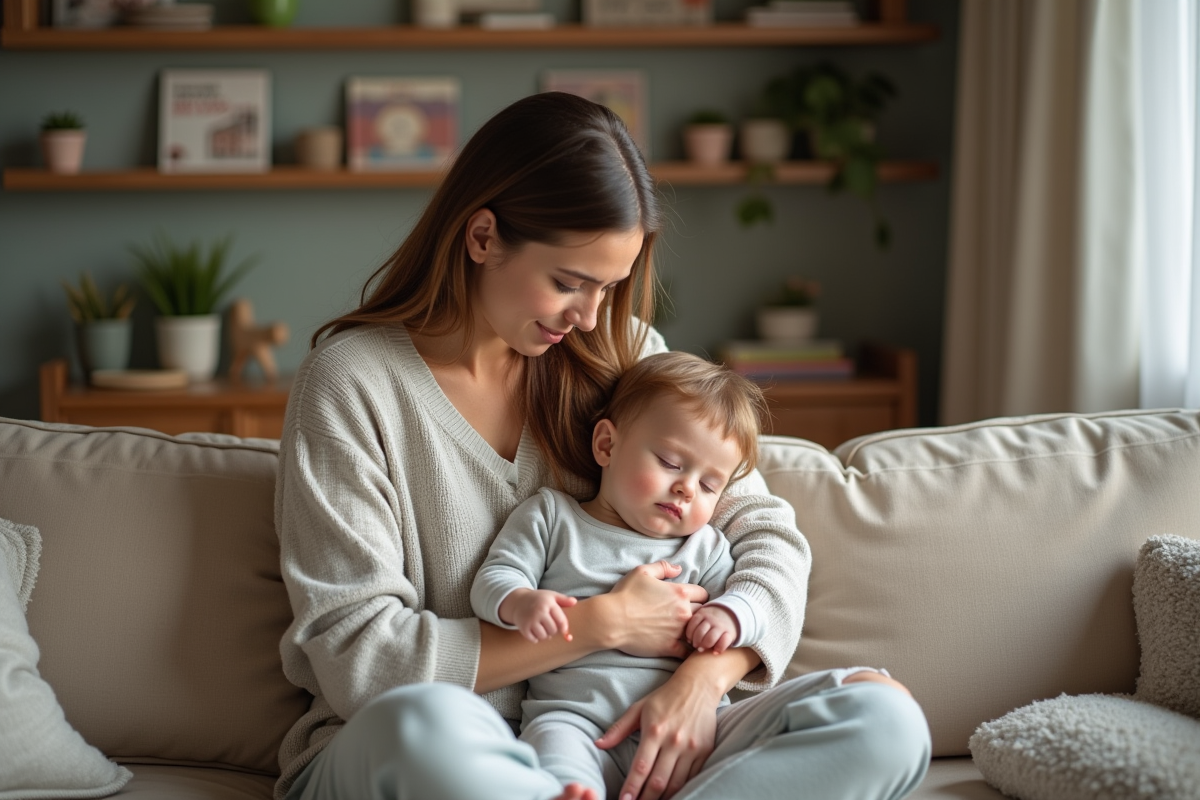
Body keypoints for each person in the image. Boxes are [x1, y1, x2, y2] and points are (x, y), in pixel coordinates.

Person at [274, 90, 931, 800]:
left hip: (633, 745)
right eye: (568, 282)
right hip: (443, 753)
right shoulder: (352, 383)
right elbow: (361, 660)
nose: (589, 316)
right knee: (419, 728)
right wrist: (599, 624)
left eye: (608, 288)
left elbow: (766, 533)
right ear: (483, 236)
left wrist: (703, 678)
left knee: (884, 719)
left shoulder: (622, 356)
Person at [471, 351, 776, 800]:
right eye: (671, 462)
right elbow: (495, 576)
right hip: (573, 719)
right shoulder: (552, 516)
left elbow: (753, 604)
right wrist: (518, 601)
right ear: (607, 446)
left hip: (687, 728)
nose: (686, 487)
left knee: (836, 707)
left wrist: (731, 616)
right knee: (554, 756)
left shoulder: (705, 546)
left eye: (710, 485)